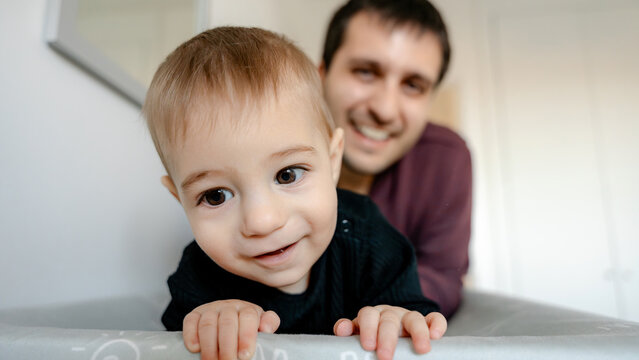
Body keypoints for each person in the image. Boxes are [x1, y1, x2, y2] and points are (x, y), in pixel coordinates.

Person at [142, 26, 446, 360]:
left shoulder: (370, 242)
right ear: (180, 200)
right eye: (215, 195)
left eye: (287, 175)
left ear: (333, 161)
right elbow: (168, 347)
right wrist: (205, 329)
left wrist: (398, 320)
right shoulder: (199, 278)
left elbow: (419, 319)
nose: (262, 221)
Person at [320, 0, 472, 318]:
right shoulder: (271, 148)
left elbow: (442, 278)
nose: (385, 110)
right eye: (365, 72)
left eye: (413, 86)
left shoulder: (447, 159)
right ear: (322, 75)